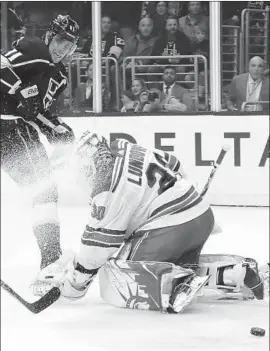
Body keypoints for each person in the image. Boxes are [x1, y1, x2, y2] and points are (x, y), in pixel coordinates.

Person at [33, 132, 267, 312]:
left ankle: (179, 284)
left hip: (171, 229)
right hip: (201, 216)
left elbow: (95, 252)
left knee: (120, 274)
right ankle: (234, 273)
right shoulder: (125, 147)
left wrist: (73, 286)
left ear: (87, 165)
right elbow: (173, 163)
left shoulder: (107, 191)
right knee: (175, 266)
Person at [1, 15, 79, 277]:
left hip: (15, 129)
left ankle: (51, 259)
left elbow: (35, 111)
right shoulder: (35, 50)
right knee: (43, 190)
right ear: (49, 36)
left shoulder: (60, 77)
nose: (62, 49)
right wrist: (17, 88)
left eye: (68, 46)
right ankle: (51, 263)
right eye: (59, 41)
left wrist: (57, 130)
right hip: (7, 126)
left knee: (43, 192)